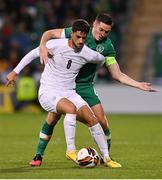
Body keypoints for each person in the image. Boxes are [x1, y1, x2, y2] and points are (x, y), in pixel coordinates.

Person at [29, 12, 157, 167]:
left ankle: (106, 157)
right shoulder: (80, 32)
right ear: (94, 24)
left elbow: (117, 74)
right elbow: (50, 34)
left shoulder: (108, 46)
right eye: (100, 29)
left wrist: (138, 85)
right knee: (52, 119)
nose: (102, 34)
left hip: (85, 86)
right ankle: (38, 155)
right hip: (65, 85)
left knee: (102, 121)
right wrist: (42, 46)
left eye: (106, 32)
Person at [6, 19, 123, 168]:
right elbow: (32, 54)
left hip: (69, 92)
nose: (80, 41)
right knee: (69, 109)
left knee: (92, 120)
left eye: (83, 38)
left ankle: (106, 158)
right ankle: (70, 150)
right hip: (48, 92)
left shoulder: (88, 53)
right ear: (71, 34)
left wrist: (102, 65)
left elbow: (100, 59)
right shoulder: (55, 45)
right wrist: (15, 72)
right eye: (78, 37)